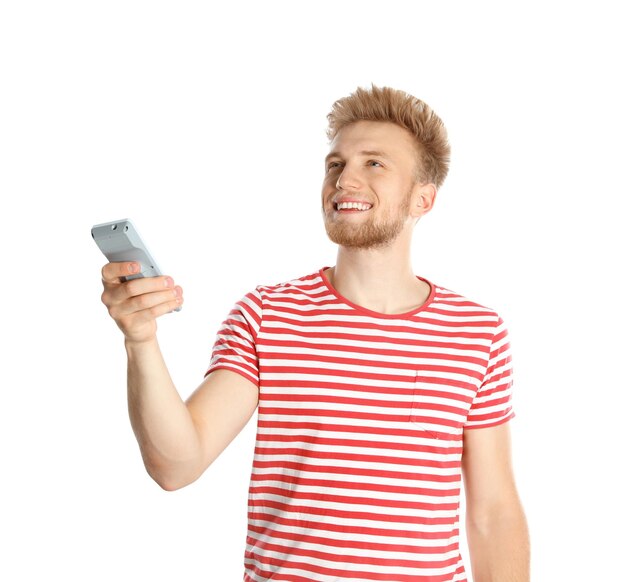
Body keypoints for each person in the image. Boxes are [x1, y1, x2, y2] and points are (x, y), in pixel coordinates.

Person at [100, 84, 530, 582]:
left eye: (374, 163)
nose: (344, 178)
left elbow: (493, 513)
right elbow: (176, 465)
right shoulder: (266, 315)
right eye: (335, 164)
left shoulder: (477, 332)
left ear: (423, 198)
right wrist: (140, 340)